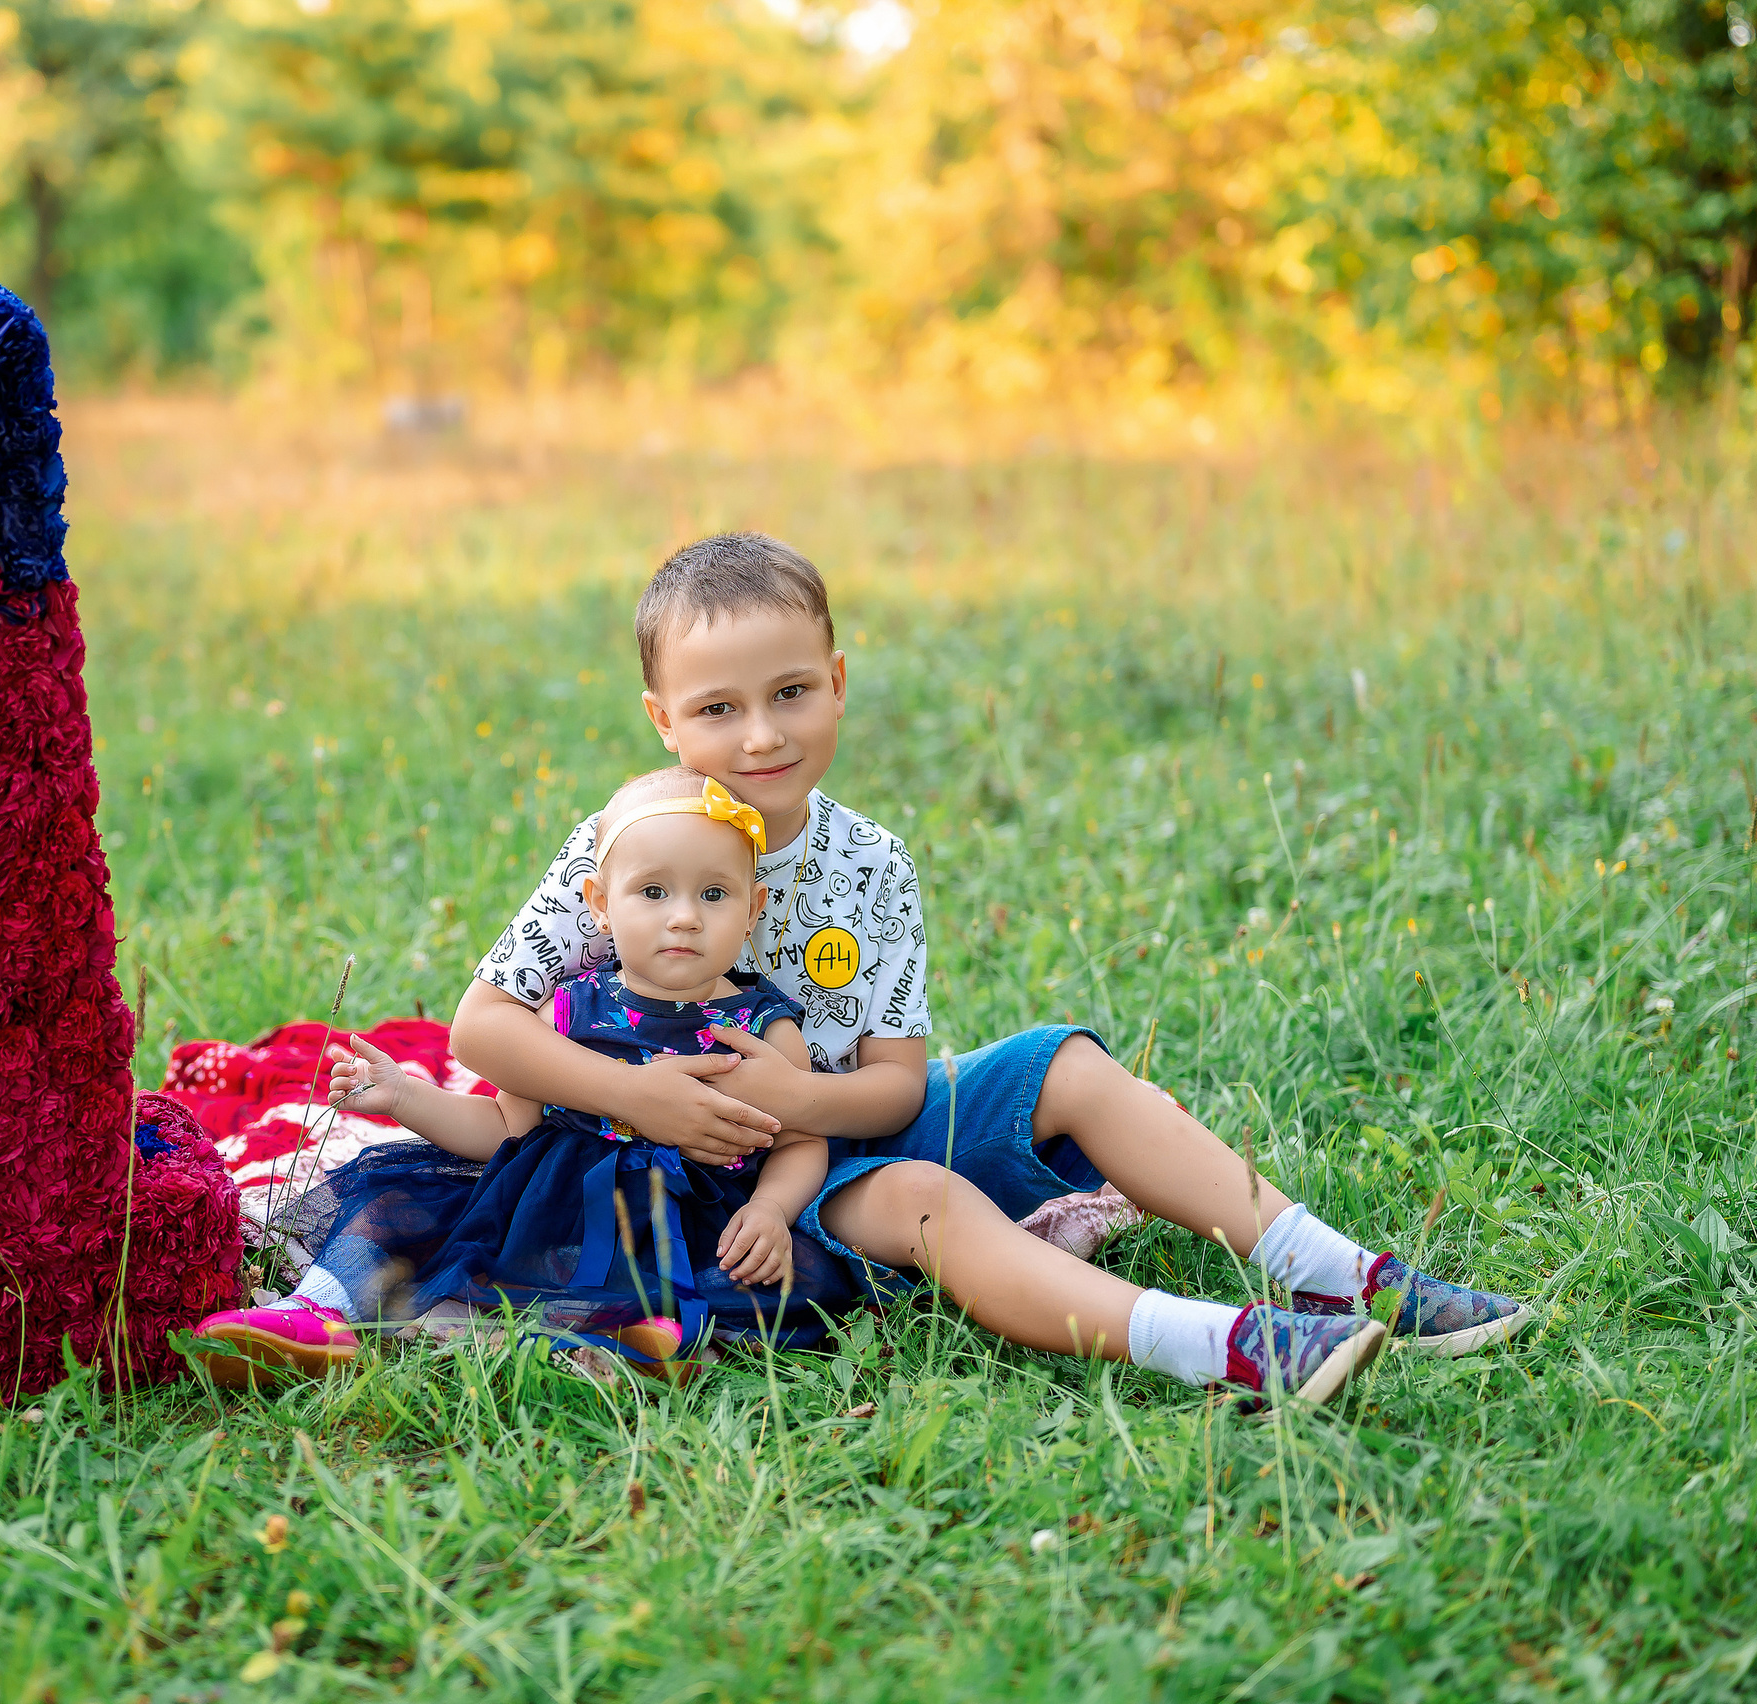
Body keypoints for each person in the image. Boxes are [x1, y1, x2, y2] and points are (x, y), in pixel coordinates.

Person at [438, 532, 1531, 1396]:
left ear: (837, 681)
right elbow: (481, 1026)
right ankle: (1229, 1345)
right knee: (923, 1194)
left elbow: (898, 1084)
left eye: (790, 693)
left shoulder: (870, 863)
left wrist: (795, 1094)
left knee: (1072, 1067)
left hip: (836, 1129)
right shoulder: (627, 843)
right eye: (718, 709)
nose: (762, 735)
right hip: (710, 1190)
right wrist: (643, 1098)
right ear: (662, 721)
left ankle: (1345, 1276)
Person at [192, 768, 864, 1388]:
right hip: (547, 1209)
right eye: (653, 891)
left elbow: (800, 1139)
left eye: (714, 894)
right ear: (600, 904)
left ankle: (647, 1338)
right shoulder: (566, 1011)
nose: (683, 914)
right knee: (390, 1212)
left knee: (772, 1275)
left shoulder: (764, 1027)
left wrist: (771, 1209)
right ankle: (316, 1312)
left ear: (754, 907)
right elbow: (506, 1128)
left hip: (688, 1217)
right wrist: (406, 1098)